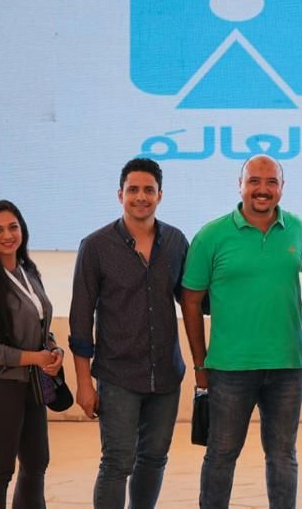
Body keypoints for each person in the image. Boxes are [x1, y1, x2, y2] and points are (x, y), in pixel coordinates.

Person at [180, 155, 302, 509]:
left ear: (282, 188)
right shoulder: (211, 236)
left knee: (283, 456)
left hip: (288, 365)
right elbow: (190, 302)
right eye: (254, 180)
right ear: (239, 185)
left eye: (271, 182)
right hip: (229, 368)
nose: (262, 189)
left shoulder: (298, 230)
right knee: (221, 455)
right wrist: (200, 365)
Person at [68, 158, 190, 509]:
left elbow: (192, 299)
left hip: (166, 374)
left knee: (154, 459)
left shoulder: (176, 241)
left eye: (148, 190)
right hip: (118, 375)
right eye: (133, 189)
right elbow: (80, 320)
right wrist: (84, 383)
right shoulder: (96, 246)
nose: (141, 197)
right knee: (117, 462)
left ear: (160, 195)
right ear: (120, 194)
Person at [0, 200, 64, 508]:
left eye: (13, 227)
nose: (7, 235)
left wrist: (52, 347)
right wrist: (36, 358)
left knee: (36, 462)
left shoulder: (28, 271)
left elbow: (39, 325)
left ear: (23, 230)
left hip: (30, 384)